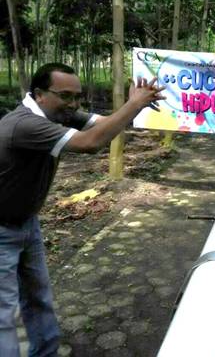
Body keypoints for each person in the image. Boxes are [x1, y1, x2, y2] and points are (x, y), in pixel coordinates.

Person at [0, 63, 164, 357]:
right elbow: (92, 142)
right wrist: (133, 104)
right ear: (39, 94)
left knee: (38, 297)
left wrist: (134, 106)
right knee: (4, 314)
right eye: (65, 96)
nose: (73, 104)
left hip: (26, 222)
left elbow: (106, 123)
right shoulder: (24, 124)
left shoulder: (59, 112)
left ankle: (45, 352)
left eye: (77, 97)